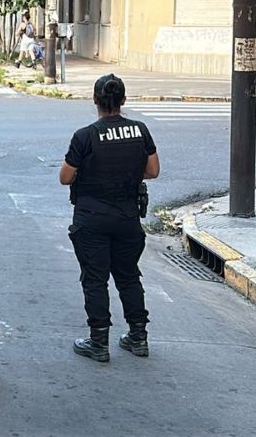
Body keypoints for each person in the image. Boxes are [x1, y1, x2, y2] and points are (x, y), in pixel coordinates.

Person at [60, 74, 160, 363]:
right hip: (128, 216)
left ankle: (98, 341)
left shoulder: (86, 135)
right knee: (128, 276)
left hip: (91, 217)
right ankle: (138, 336)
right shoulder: (139, 130)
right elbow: (153, 171)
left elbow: (66, 177)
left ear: (95, 100)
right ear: (123, 101)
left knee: (95, 279)